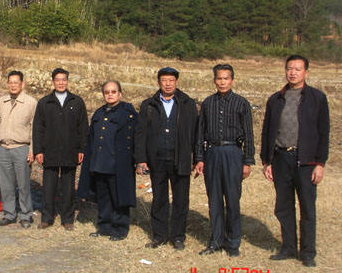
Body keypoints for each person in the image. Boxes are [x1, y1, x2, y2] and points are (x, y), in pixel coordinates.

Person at [260, 55, 329, 267]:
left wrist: (320, 164)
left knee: (307, 207)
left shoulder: (317, 98)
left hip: (306, 161)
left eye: (298, 69)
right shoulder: (275, 99)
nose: (293, 72)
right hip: (281, 158)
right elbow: (267, 131)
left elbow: (323, 133)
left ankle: (307, 252)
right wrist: (266, 161)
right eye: (289, 68)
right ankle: (288, 247)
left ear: (306, 72)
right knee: (283, 206)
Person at [194, 64, 255, 257]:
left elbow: (249, 135)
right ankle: (216, 240)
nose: (222, 82)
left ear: (232, 80)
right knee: (214, 199)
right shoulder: (208, 103)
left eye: (226, 78)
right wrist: (199, 158)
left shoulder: (241, 103)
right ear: (214, 80)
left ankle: (233, 243)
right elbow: (200, 133)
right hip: (212, 152)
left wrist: (247, 161)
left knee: (232, 199)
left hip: (232, 152)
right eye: (219, 78)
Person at [135, 67, 198, 250]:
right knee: (159, 198)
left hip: (181, 159)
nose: (168, 84)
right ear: (159, 82)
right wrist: (141, 159)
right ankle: (159, 235)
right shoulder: (148, 105)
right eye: (164, 80)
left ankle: (178, 237)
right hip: (157, 159)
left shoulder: (187, 104)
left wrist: (197, 158)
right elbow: (141, 133)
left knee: (181, 199)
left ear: (176, 82)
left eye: (171, 80)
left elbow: (195, 133)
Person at [77, 81, 138, 241]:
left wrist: (139, 160)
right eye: (107, 92)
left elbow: (136, 138)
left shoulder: (128, 113)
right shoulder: (99, 113)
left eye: (113, 92)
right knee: (103, 197)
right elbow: (92, 138)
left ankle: (119, 229)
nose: (110, 95)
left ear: (120, 94)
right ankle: (104, 226)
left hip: (118, 163)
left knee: (119, 197)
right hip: (100, 162)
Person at [33, 68, 88, 231]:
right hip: (49, 151)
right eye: (58, 80)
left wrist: (82, 149)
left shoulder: (77, 102)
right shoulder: (44, 103)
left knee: (68, 188)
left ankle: (67, 219)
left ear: (67, 81)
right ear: (53, 82)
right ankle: (46, 218)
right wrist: (38, 150)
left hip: (70, 151)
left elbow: (83, 128)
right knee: (48, 187)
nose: (61, 82)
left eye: (64, 79)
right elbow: (38, 129)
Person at [0, 70, 37, 228]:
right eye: (10, 82)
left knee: (23, 184)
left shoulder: (31, 103)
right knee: (5, 184)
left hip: (21, 148)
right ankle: (9, 214)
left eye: (16, 82)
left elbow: (35, 129)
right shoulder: (1, 101)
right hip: (3, 149)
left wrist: (32, 150)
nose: (13, 85)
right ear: (7, 84)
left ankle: (26, 215)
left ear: (22, 84)